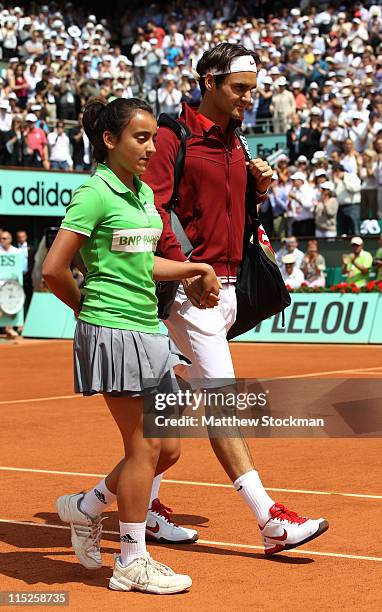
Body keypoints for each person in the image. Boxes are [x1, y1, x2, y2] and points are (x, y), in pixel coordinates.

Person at [142, 43, 328, 555]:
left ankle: (108, 503)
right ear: (209, 81)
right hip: (190, 291)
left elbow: (232, 212)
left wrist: (259, 187)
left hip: (227, 290)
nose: (250, 98)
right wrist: (187, 270)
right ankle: (270, 519)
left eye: (252, 89)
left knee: (173, 407)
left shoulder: (237, 142)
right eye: (240, 88)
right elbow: (153, 209)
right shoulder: (170, 137)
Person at [42, 96, 222, 594]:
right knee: (143, 446)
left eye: (152, 139)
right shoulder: (93, 194)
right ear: (109, 141)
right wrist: (88, 310)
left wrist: (194, 268)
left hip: (149, 329)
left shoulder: (143, 195)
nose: (151, 147)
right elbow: (54, 269)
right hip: (114, 331)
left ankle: (86, 506)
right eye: (140, 138)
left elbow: (145, 264)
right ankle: (131, 561)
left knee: (168, 450)